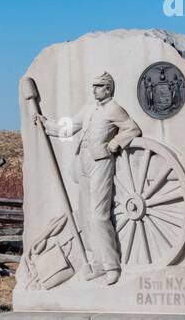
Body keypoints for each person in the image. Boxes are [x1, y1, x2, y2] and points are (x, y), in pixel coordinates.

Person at [34, 72, 141, 284]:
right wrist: (47, 124)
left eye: (99, 86)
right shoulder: (89, 108)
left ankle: (112, 266)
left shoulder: (114, 108)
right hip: (82, 161)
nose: (94, 90)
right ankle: (99, 264)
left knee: (98, 216)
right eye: (93, 86)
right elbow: (71, 126)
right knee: (85, 214)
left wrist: (116, 142)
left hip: (101, 161)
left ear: (108, 88)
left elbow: (133, 129)